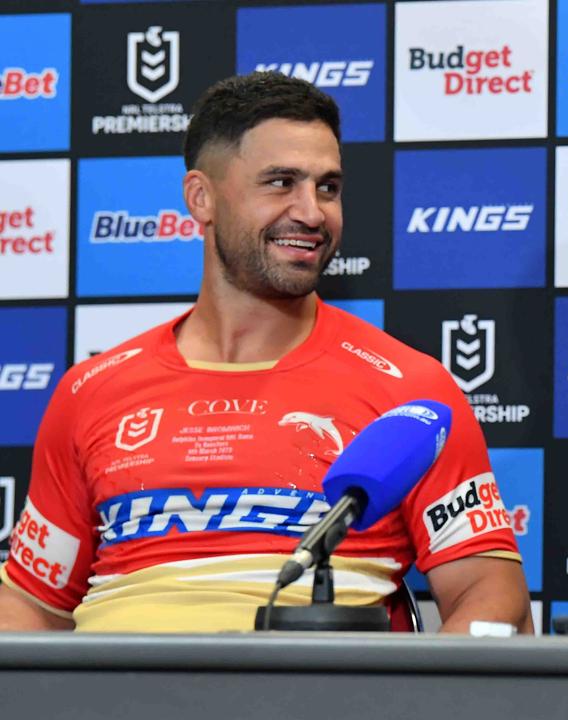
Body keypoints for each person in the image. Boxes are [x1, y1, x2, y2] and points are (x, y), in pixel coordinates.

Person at [0, 73, 532, 633]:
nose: (312, 212)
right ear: (201, 198)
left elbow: (490, 595)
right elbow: (30, 606)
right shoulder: (92, 391)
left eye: (328, 187)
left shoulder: (411, 391)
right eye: (281, 183)